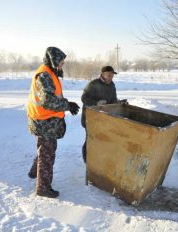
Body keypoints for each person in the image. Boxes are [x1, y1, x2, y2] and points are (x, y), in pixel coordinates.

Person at [27, 47, 80, 198]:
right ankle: (43, 188)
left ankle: (34, 172)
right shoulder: (44, 75)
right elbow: (48, 101)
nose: (62, 65)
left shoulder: (50, 72)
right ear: (53, 60)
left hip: (45, 120)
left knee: (45, 150)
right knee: (47, 153)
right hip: (44, 121)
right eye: (61, 62)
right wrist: (67, 105)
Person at [81, 65, 127, 163]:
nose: (111, 77)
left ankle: (98, 158)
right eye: (109, 75)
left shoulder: (112, 86)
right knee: (90, 138)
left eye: (112, 75)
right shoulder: (93, 84)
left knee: (102, 138)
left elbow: (113, 100)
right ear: (103, 74)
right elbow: (84, 98)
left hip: (103, 117)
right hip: (90, 117)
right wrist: (96, 103)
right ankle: (87, 160)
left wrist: (119, 103)